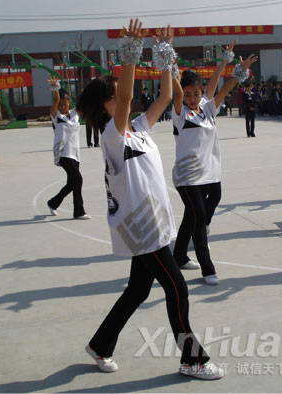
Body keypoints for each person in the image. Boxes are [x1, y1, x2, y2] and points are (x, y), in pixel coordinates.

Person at [75, 20, 224, 380]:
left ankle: (100, 344)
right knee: (178, 288)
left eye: (119, 94)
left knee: (137, 291)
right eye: (114, 96)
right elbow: (127, 98)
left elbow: (166, 97)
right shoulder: (112, 136)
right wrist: (130, 53)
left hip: (152, 223)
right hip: (141, 228)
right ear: (104, 108)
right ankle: (193, 359)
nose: (122, 98)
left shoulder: (138, 128)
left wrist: (165, 57)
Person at [171, 40, 257, 285]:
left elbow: (222, 86)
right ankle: (207, 268)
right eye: (187, 95)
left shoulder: (208, 109)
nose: (192, 98)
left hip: (209, 172)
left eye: (196, 94)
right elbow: (177, 92)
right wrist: (171, 70)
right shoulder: (180, 114)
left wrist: (237, 69)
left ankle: (179, 255)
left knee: (204, 206)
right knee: (198, 218)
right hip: (188, 176)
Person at [46, 77, 90, 220]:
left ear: (69, 102)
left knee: (72, 183)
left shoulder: (74, 114)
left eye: (65, 103)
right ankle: (79, 211)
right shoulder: (56, 116)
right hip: (63, 154)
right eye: (60, 103)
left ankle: (53, 203)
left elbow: (85, 102)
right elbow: (55, 100)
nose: (63, 105)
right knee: (78, 179)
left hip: (75, 154)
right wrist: (56, 88)